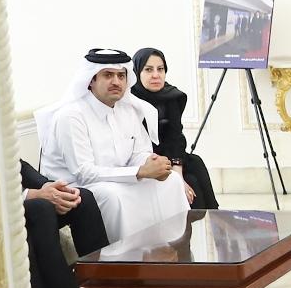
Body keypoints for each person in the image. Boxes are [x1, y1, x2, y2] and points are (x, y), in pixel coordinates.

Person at [38, 47, 189, 247]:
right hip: (79, 187)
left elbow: (138, 152)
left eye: (121, 76)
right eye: (108, 75)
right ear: (91, 80)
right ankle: (126, 257)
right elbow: (84, 173)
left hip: (121, 178)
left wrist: (152, 162)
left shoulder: (128, 109)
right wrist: (140, 172)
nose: (116, 82)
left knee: (171, 181)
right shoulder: (71, 116)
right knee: (113, 196)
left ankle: (173, 248)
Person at [21, 159, 112, 288]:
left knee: (82, 198)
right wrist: (29, 194)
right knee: (41, 209)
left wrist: (48, 187)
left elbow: (15, 164)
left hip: (17, 198)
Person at [131, 47, 220, 210]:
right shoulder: (130, 101)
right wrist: (177, 178)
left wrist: (177, 172)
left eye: (160, 69)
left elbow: (176, 137)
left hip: (169, 153)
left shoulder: (171, 95)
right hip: (146, 159)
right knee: (191, 182)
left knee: (195, 162)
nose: (156, 75)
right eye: (148, 70)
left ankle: (214, 214)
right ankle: (198, 220)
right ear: (137, 72)